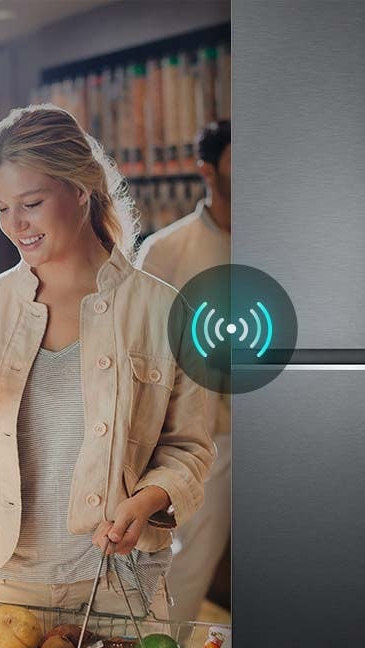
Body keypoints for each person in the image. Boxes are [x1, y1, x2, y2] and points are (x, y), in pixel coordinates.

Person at [0, 104, 214, 626]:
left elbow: (190, 450)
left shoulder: (163, 310)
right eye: (1, 209)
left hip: (121, 585)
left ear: (80, 188)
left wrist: (147, 499)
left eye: (31, 203)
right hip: (4, 585)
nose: (16, 225)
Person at [135, 120, 231, 622]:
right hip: (208, 439)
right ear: (207, 171)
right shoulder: (167, 250)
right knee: (189, 563)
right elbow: (140, 346)